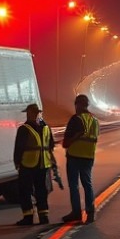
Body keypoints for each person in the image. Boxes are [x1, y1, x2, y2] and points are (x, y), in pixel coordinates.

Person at [13, 103, 56, 225]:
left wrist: (17, 162)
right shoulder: (46, 127)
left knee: (25, 190)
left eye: (28, 112)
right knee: (41, 190)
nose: (27, 115)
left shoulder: (24, 129)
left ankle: (28, 217)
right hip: (43, 164)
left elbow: (19, 148)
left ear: (31, 113)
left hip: (28, 163)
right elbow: (51, 145)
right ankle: (44, 217)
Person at [61, 94, 100, 224]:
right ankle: (90, 212)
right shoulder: (94, 120)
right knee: (87, 184)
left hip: (74, 156)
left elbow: (66, 142)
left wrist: (69, 142)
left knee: (74, 185)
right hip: (88, 157)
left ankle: (76, 212)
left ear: (77, 105)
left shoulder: (76, 119)